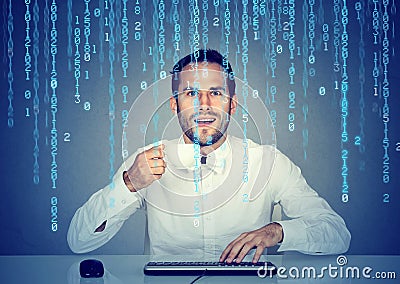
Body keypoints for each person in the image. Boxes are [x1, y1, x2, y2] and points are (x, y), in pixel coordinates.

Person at [67, 49, 351, 263]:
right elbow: (80, 241)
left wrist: (277, 231)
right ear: (174, 105)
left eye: (215, 92)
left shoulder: (269, 162)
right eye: (191, 93)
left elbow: (337, 234)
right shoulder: (144, 162)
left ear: (232, 104)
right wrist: (128, 185)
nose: (204, 105)